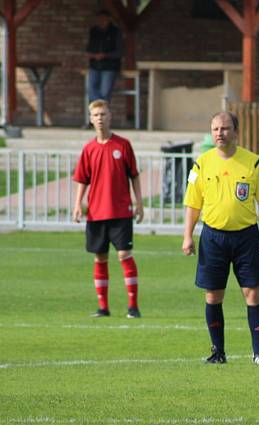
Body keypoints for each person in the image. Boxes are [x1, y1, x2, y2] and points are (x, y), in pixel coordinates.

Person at [182, 111, 259, 365]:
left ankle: (258, 352)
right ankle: (217, 351)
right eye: (215, 129)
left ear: (236, 131)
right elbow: (193, 203)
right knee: (213, 296)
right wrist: (187, 236)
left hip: (246, 237)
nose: (219, 134)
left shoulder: (253, 163)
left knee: (253, 295)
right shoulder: (201, 163)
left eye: (224, 128)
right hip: (212, 237)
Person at [72, 99, 142, 319]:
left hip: (121, 211)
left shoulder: (122, 145)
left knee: (124, 254)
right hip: (96, 213)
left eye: (103, 114)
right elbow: (82, 179)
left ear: (110, 116)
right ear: (91, 119)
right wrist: (77, 204)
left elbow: (134, 175)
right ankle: (103, 307)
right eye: (96, 115)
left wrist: (139, 202)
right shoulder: (89, 149)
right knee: (100, 258)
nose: (100, 118)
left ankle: (133, 306)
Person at [86, 10, 123, 104]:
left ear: (108, 19)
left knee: (105, 91)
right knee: (91, 90)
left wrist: (105, 55)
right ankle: (98, 110)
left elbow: (119, 52)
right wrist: (92, 55)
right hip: (94, 65)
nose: (101, 21)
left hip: (110, 66)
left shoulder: (116, 32)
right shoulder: (93, 31)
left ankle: (101, 113)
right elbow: (89, 48)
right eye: (99, 19)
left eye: (103, 19)